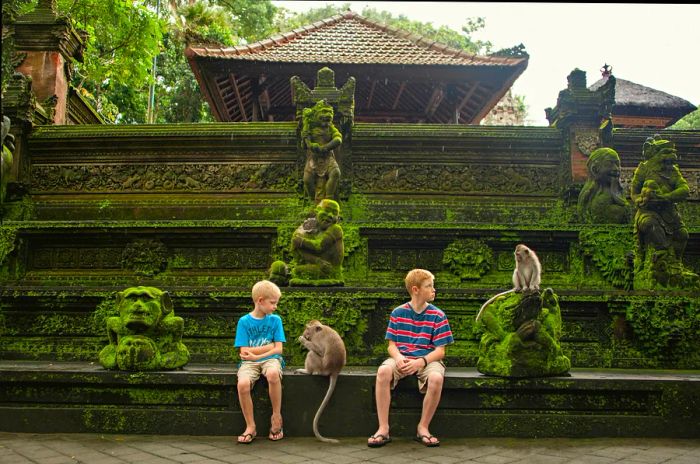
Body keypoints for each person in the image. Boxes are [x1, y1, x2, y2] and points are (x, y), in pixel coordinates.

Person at [368, 269, 454, 448]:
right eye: (429, 286)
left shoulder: (438, 315)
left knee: (436, 378)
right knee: (383, 371)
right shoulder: (398, 313)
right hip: (402, 358)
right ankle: (383, 428)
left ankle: (423, 427)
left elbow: (440, 351)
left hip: (427, 359)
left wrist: (421, 362)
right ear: (415, 290)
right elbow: (391, 346)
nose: (434, 290)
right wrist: (398, 358)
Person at [234, 280, 286, 444]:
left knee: (272, 374)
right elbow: (243, 352)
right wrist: (268, 346)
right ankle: (250, 426)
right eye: (272, 303)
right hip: (249, 363)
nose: (275, 306)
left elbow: (278, 350)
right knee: (242, 384)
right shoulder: (244, 322)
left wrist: (256, 354)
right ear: (260, 300)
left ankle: (276, 417)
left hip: (271, 359)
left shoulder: (275, 320)